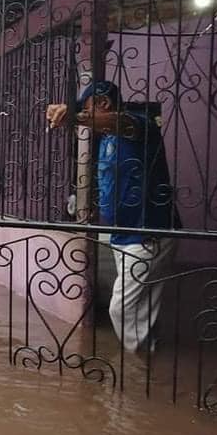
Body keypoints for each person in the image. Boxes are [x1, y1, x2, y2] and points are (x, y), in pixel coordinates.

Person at [46, 80, 176, 353]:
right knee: (142, 307)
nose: (85, 115)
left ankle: (138, 370)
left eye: (87, 108)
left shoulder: (139, 127)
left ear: (103, 103)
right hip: (124, 233)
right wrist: (93, 202)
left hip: (147, 231)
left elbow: (120, 122)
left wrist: (74, 116)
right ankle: (148, 353)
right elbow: (108, 176)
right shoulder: (108, 139)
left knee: (121, 309)